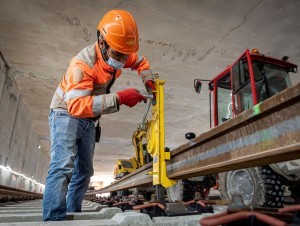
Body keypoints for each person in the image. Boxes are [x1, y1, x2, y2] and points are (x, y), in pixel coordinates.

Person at [42, 9, 156, 221]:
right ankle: (54, 219)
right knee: (63, 164)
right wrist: (119, 98)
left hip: (89, 119)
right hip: (65, 114)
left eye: (125, 55)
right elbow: (76, 106)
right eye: (118, 55)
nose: (122, 61)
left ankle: (72, 212)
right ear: (102, 43)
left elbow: (141, 61)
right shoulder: (82, 64)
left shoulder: (119, 50)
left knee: (85, 171)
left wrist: (148, 81)